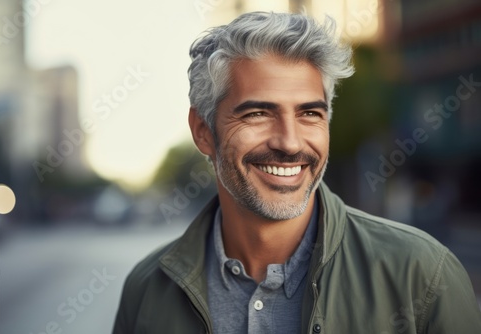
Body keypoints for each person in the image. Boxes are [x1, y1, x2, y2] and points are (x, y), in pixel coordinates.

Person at [112, 12, 481, 333]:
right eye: (257, 113)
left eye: (309, 114)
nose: (290, 143)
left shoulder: (423, 275)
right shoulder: (146, 290)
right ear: (204, 131)